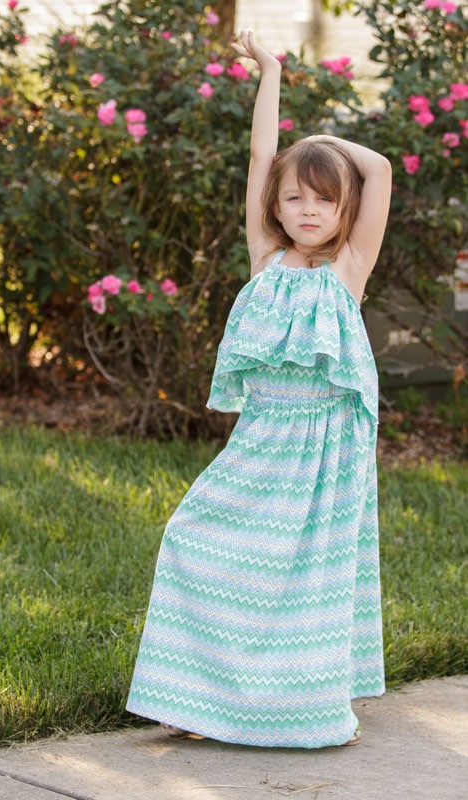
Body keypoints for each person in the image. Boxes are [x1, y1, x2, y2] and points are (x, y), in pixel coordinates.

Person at [126, 31, 392, 749]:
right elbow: (257, 159)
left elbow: (380, 167)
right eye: (295, 196)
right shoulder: (265, 257)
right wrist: (271, 72)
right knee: (195, 538)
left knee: (301, 573)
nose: (308, 208)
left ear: (343, 212)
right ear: (275, 205)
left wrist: (320, 140)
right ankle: (193, 693)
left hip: (325, 446)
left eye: (324, 200)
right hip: (265, 434)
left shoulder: (348, 268)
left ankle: (292, 706)